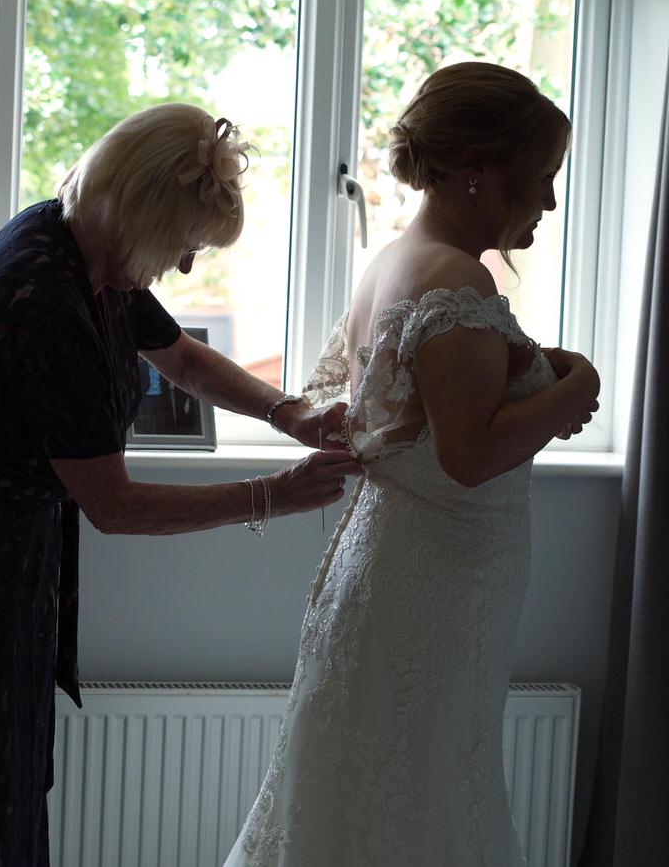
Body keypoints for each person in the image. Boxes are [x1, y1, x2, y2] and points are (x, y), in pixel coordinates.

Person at [0, 103, 363, 865]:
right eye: (185, 245)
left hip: (0, 546)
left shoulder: (92, 251)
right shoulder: (43, 299)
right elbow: (115, 505)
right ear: (141, 215)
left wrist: (289, 412)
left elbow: (183, 359)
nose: (185, 266)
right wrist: (273, 495)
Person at [224, 62, 601, 866]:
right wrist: (581, 386)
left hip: (400, 563)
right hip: (435, 580)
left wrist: (543, 372)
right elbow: (470, 454)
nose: (549, 200)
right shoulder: (458, 278)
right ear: (478, 170)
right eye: (542, 175)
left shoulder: (397, 260)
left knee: (377, 786)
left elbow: (432, 411)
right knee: (422, 790)